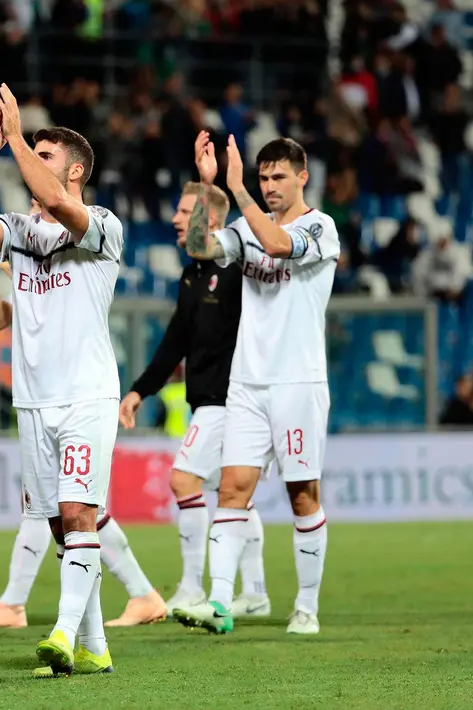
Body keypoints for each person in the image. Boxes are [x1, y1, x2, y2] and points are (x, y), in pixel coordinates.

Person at [0, 84, 124, 675]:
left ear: (75, 170)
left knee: (80, 511)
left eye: (46, 156)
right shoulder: (21, 233)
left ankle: (61, 632)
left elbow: (61, 203)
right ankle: (96, 646)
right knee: (60, 524)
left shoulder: (102, 225)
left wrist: (21, 137)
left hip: (85, 396)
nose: (34, 165)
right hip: (32, 402)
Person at [0, 200, 168, 631]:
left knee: (65, 512)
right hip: (39, 399)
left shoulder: (91, 238)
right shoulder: (26, 254)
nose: (34, 199)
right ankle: (140, 596)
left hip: (81, 395)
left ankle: (19, 605)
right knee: (71, 515)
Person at [174, 133, 340, 636]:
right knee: (232, 490)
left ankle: (306, 605)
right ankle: (221, 603)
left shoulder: (321, 228)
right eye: (263, 177)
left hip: (297, 381)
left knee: (302, 495)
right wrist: (208, 189)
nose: (268, 186)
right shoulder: (245, 226)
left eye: (277, 177)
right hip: (246, 382)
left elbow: (277, 244)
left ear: (302, 177)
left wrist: (236, 187)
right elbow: (200, 245)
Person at [119, 182, 272, 618]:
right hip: (209, 399)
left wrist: (209, 180)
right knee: (233, 495)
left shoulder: (237, 269)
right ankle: (256, 592)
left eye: (187, 212)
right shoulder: (191, 275)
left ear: (213, 223)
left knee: (184, 481)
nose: (176, 219)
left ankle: (191, 587)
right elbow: (175, 342)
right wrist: (139, 390)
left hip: (232, 399)